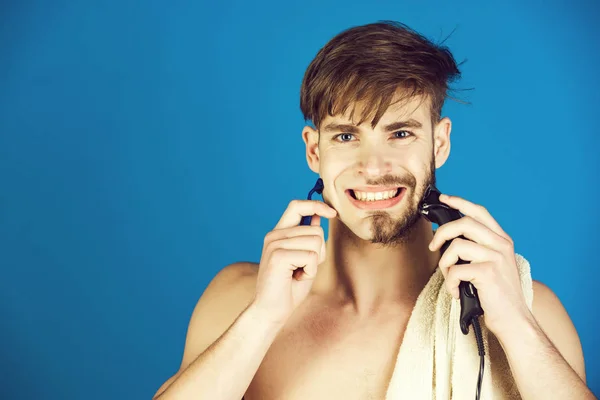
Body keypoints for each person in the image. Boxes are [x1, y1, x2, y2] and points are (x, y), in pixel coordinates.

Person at [152, 21, 594, 400]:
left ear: (439, 143)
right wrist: (263, 318)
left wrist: (516, 325)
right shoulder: (236, 301)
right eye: (346, 136)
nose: (374, 168)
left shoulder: (531, 311)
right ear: (314, 151)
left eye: (400, 133)